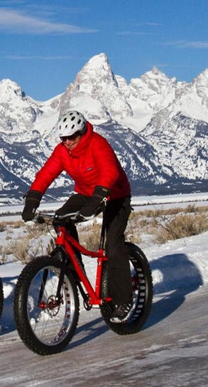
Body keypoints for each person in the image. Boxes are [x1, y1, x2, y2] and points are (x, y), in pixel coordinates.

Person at [21, 110, 133, 320]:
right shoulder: (63, 151)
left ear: (82, 132)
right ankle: (73, 269)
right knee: (60, 220)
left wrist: (96, 201)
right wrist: (32, 200)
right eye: (63, 138)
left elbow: (110, 171)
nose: (68, 142)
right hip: (85, 193)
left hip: (116, 195)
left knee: (113, 244)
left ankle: (124, 299)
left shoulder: (98, 144)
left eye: (72, 137)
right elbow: (46, 174)